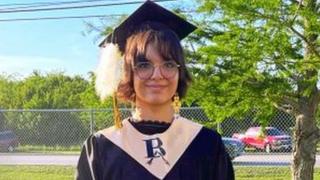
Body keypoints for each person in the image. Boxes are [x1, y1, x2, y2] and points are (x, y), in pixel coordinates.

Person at [76, 1, 234, 180]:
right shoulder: (102, 147)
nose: (157, 75)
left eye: (168, 64)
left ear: (179, 72)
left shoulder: (206, 144)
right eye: (144, 65)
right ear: (128, 73)